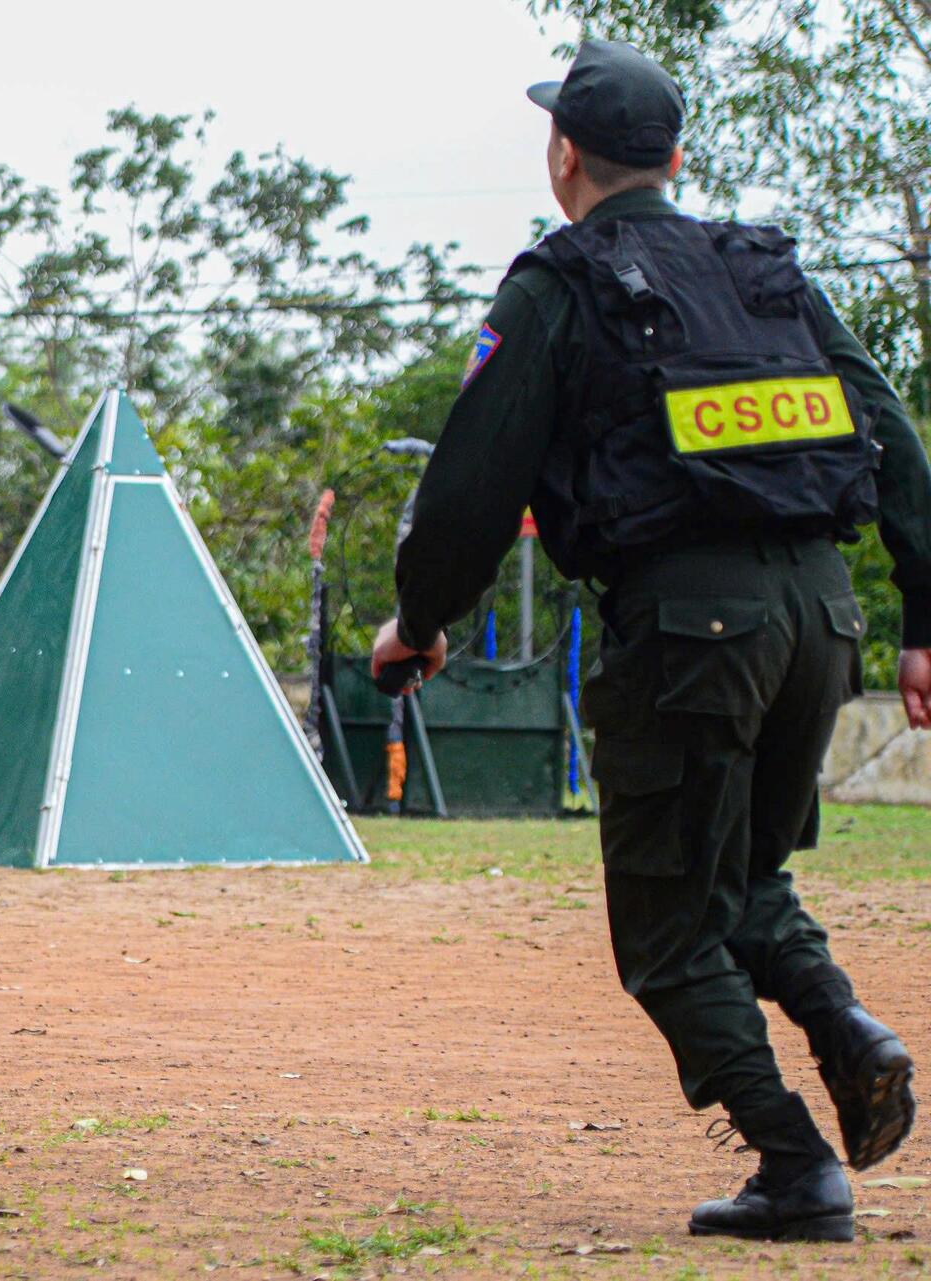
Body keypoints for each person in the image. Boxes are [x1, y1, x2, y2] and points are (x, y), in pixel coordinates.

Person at [372, 39, 925, 1241]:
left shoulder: (559, 285)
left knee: (671, 934)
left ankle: (796, 1164)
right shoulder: (766, 273)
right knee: (744, 880)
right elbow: (890, 431)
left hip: (692, 630)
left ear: (564, 155)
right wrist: (922, 620)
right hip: (822, 616)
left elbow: (470, 487)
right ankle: (847, 1028)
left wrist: (419, 622)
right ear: (675, 159)